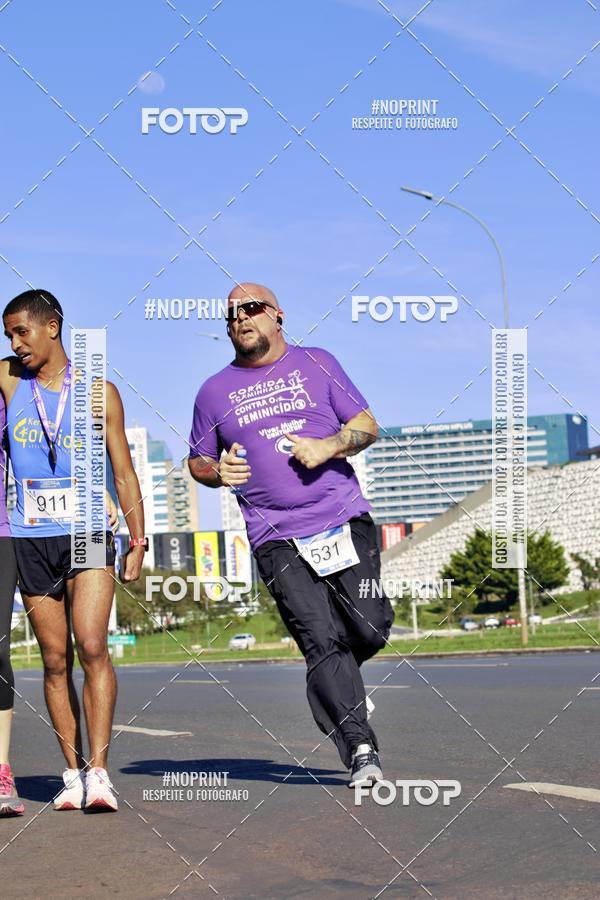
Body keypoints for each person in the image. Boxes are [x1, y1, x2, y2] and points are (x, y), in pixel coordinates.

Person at [188, 282, 394, 787]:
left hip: (342, 518)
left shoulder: (317, 362)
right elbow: (197, 460)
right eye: (231, 313)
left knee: (370, 627)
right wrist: (218, 472)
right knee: (320, 638)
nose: (241, 318)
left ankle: (335, 681)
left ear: (278, 315)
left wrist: (330, 446)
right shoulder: (213, 391)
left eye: (251, 308)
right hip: (274, 536)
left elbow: (367, 424)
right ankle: (360, 748)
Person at [0, 289, 147, 812]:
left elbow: (124, 472)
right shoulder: (9, 381)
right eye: (8, 335)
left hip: (87, 531)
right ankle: (72, 772)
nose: (15, 344)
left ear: (53, 327)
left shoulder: (99, 392)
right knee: (55, 658)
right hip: (30, 536)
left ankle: (99, 773)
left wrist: (138, 539)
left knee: (91, 644)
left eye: (22, 332)